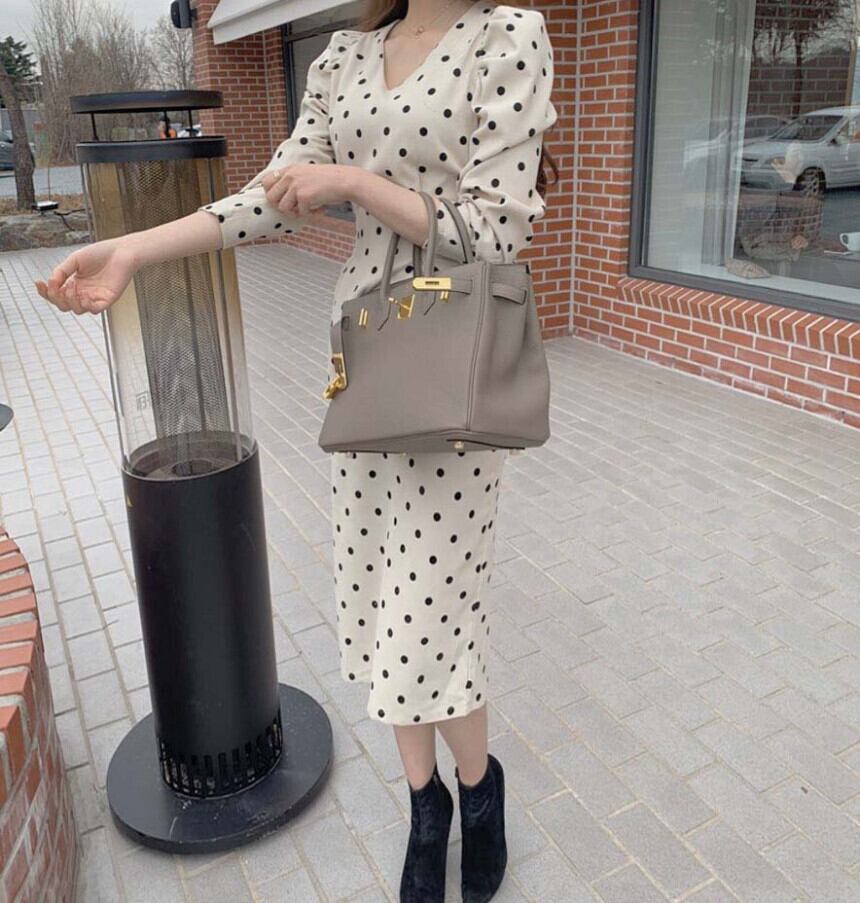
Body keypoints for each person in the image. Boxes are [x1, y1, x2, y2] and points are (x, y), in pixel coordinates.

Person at [36, 2, 557, 899]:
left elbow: (496, 232)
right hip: (365, 368)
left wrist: (354, 183)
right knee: (382, 606)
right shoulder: (344, 56)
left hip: (455, 374)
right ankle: (425, 802)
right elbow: (266, 202)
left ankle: (478, 790)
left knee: (429, 619)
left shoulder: (508, 35)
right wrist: (132, 248)